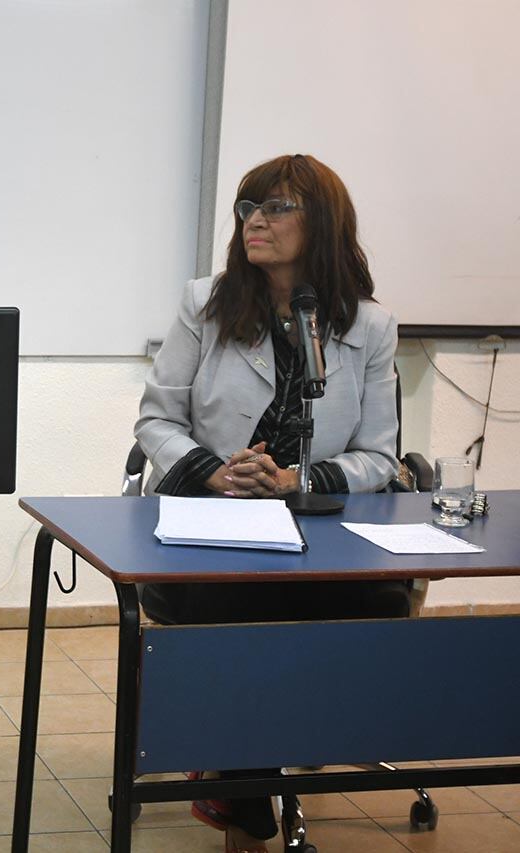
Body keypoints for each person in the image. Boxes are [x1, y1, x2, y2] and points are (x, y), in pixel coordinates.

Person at [134, 155, 410, 853]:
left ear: (321, 224)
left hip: (323, 529)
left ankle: (242, 767)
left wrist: (295, 481)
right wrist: (213, 472)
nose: (254, 221)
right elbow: (156, 422)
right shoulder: (207, 302)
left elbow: (381, 456)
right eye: (247, 207)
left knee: (365, 605)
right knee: (237, 610)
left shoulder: (370, 327)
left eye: (276, 207)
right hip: (212, 517)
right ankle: (249, 818)